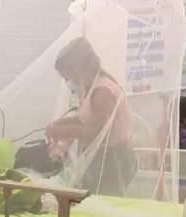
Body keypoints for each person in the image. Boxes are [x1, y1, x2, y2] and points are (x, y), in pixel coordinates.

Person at [47, 37, 134, 195]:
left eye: (67, 76)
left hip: (112, 161)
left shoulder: (102, 92)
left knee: (102, 204)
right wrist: (58, 126)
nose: (67, 81)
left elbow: (97, 133)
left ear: (78, 67)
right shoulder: (89, 88)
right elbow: (83, 120)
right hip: (101, 159)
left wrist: (62, 131)